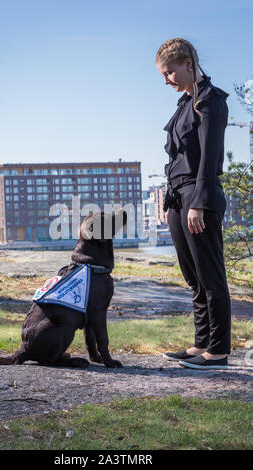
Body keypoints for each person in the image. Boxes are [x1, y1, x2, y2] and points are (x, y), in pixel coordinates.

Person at [155, 38, 231, 369]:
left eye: (169, 72)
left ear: (188, 64)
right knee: (193, 276)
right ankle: (202, 343)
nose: (166, 80)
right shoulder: (184, 105)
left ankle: (218, 351)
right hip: (178, 198)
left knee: (211, 275)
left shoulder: (211, 102)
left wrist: (198, 203)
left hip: (199, 198)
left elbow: (210, 157)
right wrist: (169, 200)